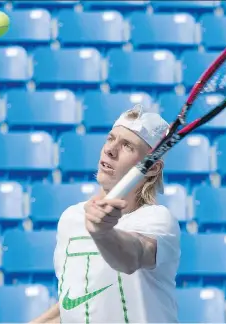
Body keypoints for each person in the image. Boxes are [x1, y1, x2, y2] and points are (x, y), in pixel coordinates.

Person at [31, 105, 181, 323]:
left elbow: (132, 257)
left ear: (152, 169)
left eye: (127, 146)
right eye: (111, 139)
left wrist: (103, 233)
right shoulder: (70, 218)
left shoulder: (158, 219)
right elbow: (78, 298)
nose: (111, 150)